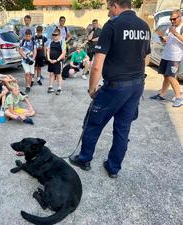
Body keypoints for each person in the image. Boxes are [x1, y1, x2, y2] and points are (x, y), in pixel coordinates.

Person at [69, 0, 151, 179]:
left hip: (115, 87)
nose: (108, 13)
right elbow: (146, 57)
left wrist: (92, 89)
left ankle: (84, 159)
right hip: (136, 86)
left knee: (93, 123)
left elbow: (97, 65)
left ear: (115, 5)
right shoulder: (144, 26)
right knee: (123, 129)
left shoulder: (112, 25)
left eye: (108, 9)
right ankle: (113, 168)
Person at [150, 9, 183, 107]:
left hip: (175, 57)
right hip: (166, 55)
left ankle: (178, 97)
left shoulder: (181, 28)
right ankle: (162, 95)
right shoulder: (171, 27)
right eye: (170, 19)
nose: (172, 21)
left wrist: (175, 33)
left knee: (171, 77)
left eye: (174, 19)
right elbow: (169, 39)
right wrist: (163, 39)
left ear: (180, 17)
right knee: (166, 75)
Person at [46, 28, 67, 95]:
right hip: (51, 61)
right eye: (53, 35)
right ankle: (50, 87)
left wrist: (57, 60)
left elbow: (64, 52)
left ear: (59, 35)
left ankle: (59, 88)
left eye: (56, 35)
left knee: (58, 75)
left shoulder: (62, 42)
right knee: (51, 74)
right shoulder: (50, 42)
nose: (54, 36)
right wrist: (48, 59)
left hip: (58, 61)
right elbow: (48, 50)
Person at [19, 29, 37, 94]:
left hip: (32, 60)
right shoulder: (23, 41)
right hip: (25, 60)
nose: (28, 37)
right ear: (25, 35)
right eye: (27, 36)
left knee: (32, 73)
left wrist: (33, 59)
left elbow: (35, 51)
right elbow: (20, 51)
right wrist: (26, 58)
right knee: (27, 73)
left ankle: (30, 82)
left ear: (31, 35)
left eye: (29, 36)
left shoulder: (34, 42)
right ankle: (28, 86)